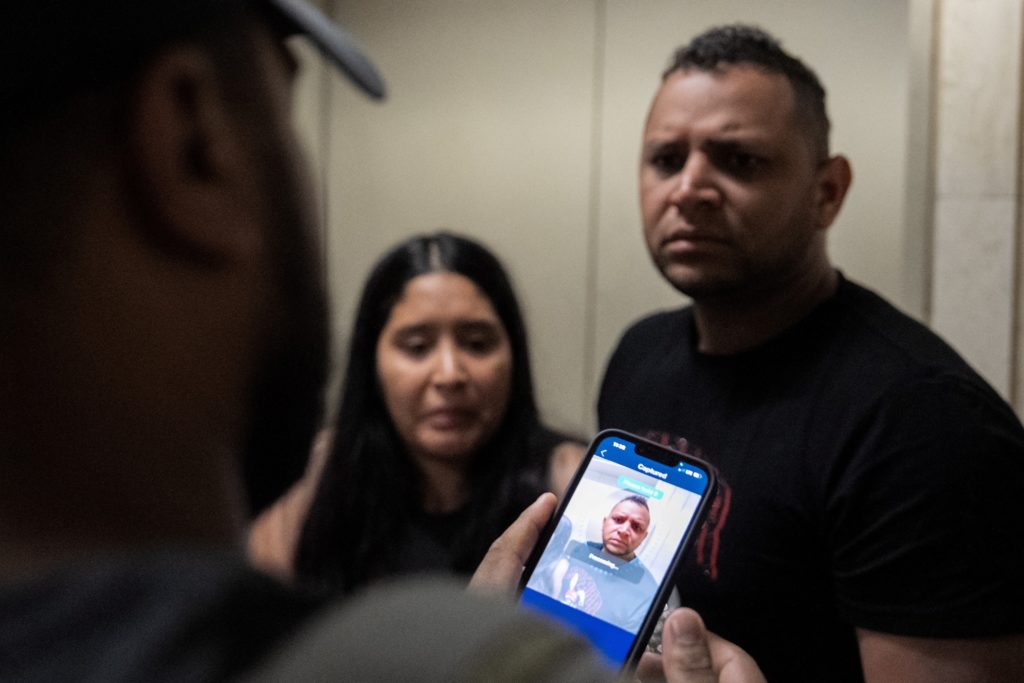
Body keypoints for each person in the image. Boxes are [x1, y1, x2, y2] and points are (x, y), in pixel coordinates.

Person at [1, 2, 759, 680]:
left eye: (476, 339)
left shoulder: (560, 492)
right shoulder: (415, 631)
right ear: (194, 138)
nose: (450, 374)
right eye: (285, 110)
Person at [598, 23, 1024, 681]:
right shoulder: (639, 356)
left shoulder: (924, 423)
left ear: (827, 192)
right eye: (666, 159)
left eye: (739, 161)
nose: (688, 189)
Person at [247, 232, 585, 592]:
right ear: (372, 362)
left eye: (477, 343)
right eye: (417, 347)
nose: (449, 374)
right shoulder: (319, 479)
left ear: (513, 355)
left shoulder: (569, 483)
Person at [547, 495, 658, 632]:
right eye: (618, 520)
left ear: (643, 537)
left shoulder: (648, 593)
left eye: (636, 527)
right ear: (605, 522)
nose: (624, 531)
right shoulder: (578, 551)